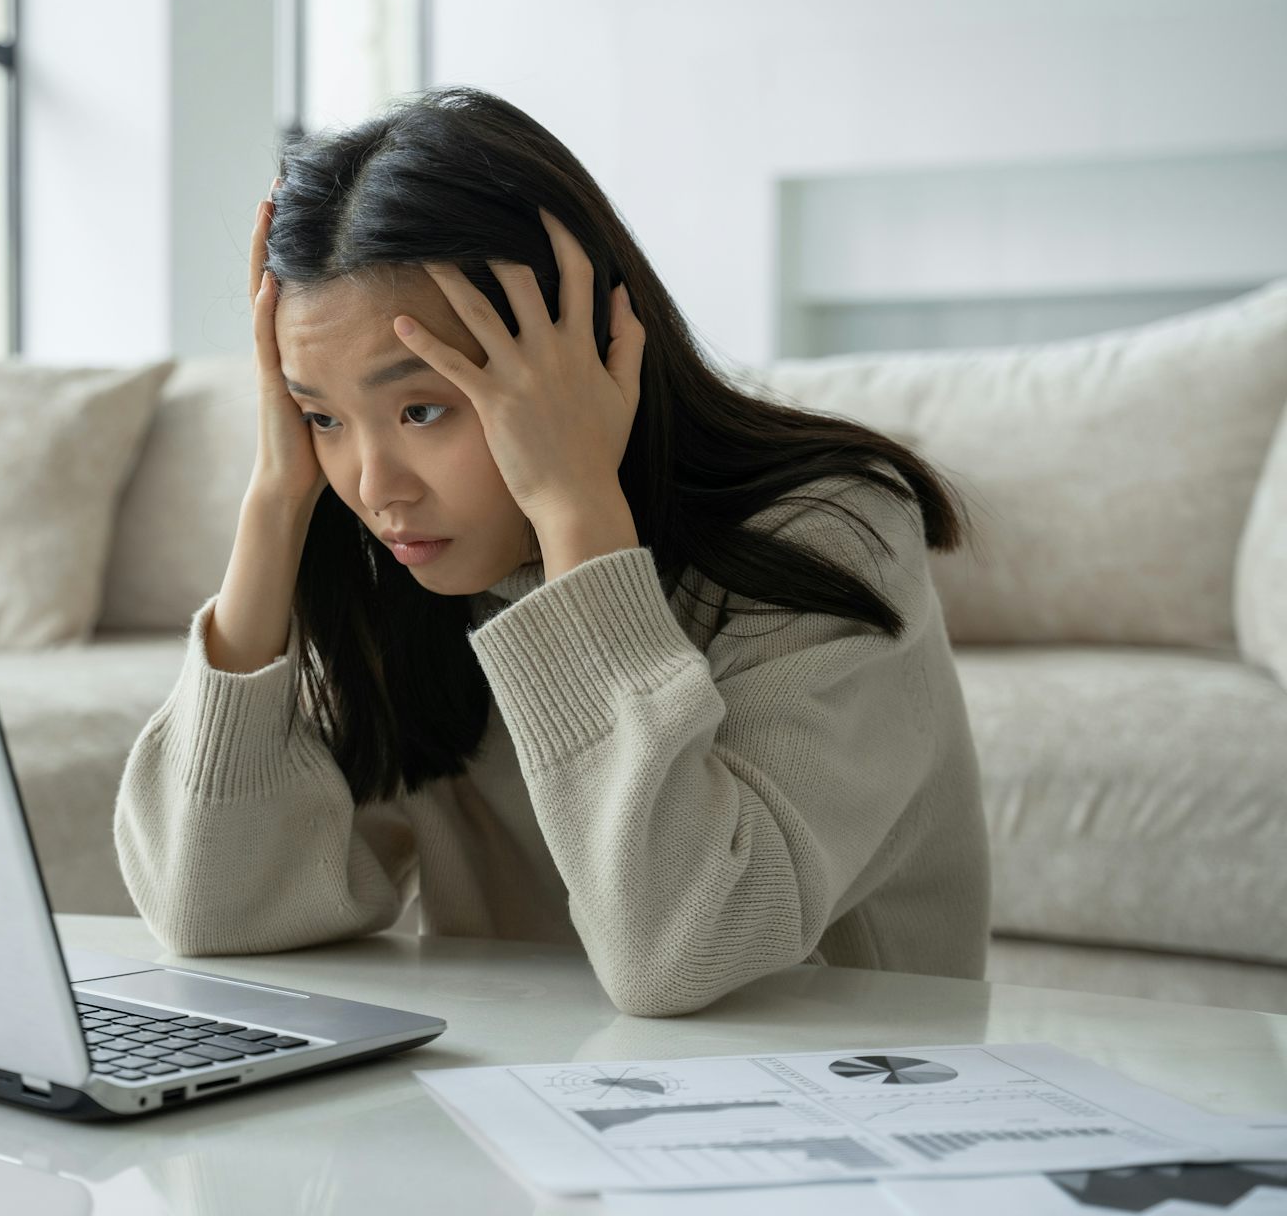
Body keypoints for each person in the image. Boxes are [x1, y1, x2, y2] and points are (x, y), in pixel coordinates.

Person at [112, 86, 990, 1018]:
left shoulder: (823, 531)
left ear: (584, 351)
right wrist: (274, 502)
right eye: (322, 416)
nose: (376, 487)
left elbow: (681, 951)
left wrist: (575, 505)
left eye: (422, 409)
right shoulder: (412, 564)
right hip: (519, 1102)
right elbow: (210, 911)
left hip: (831, 1105)